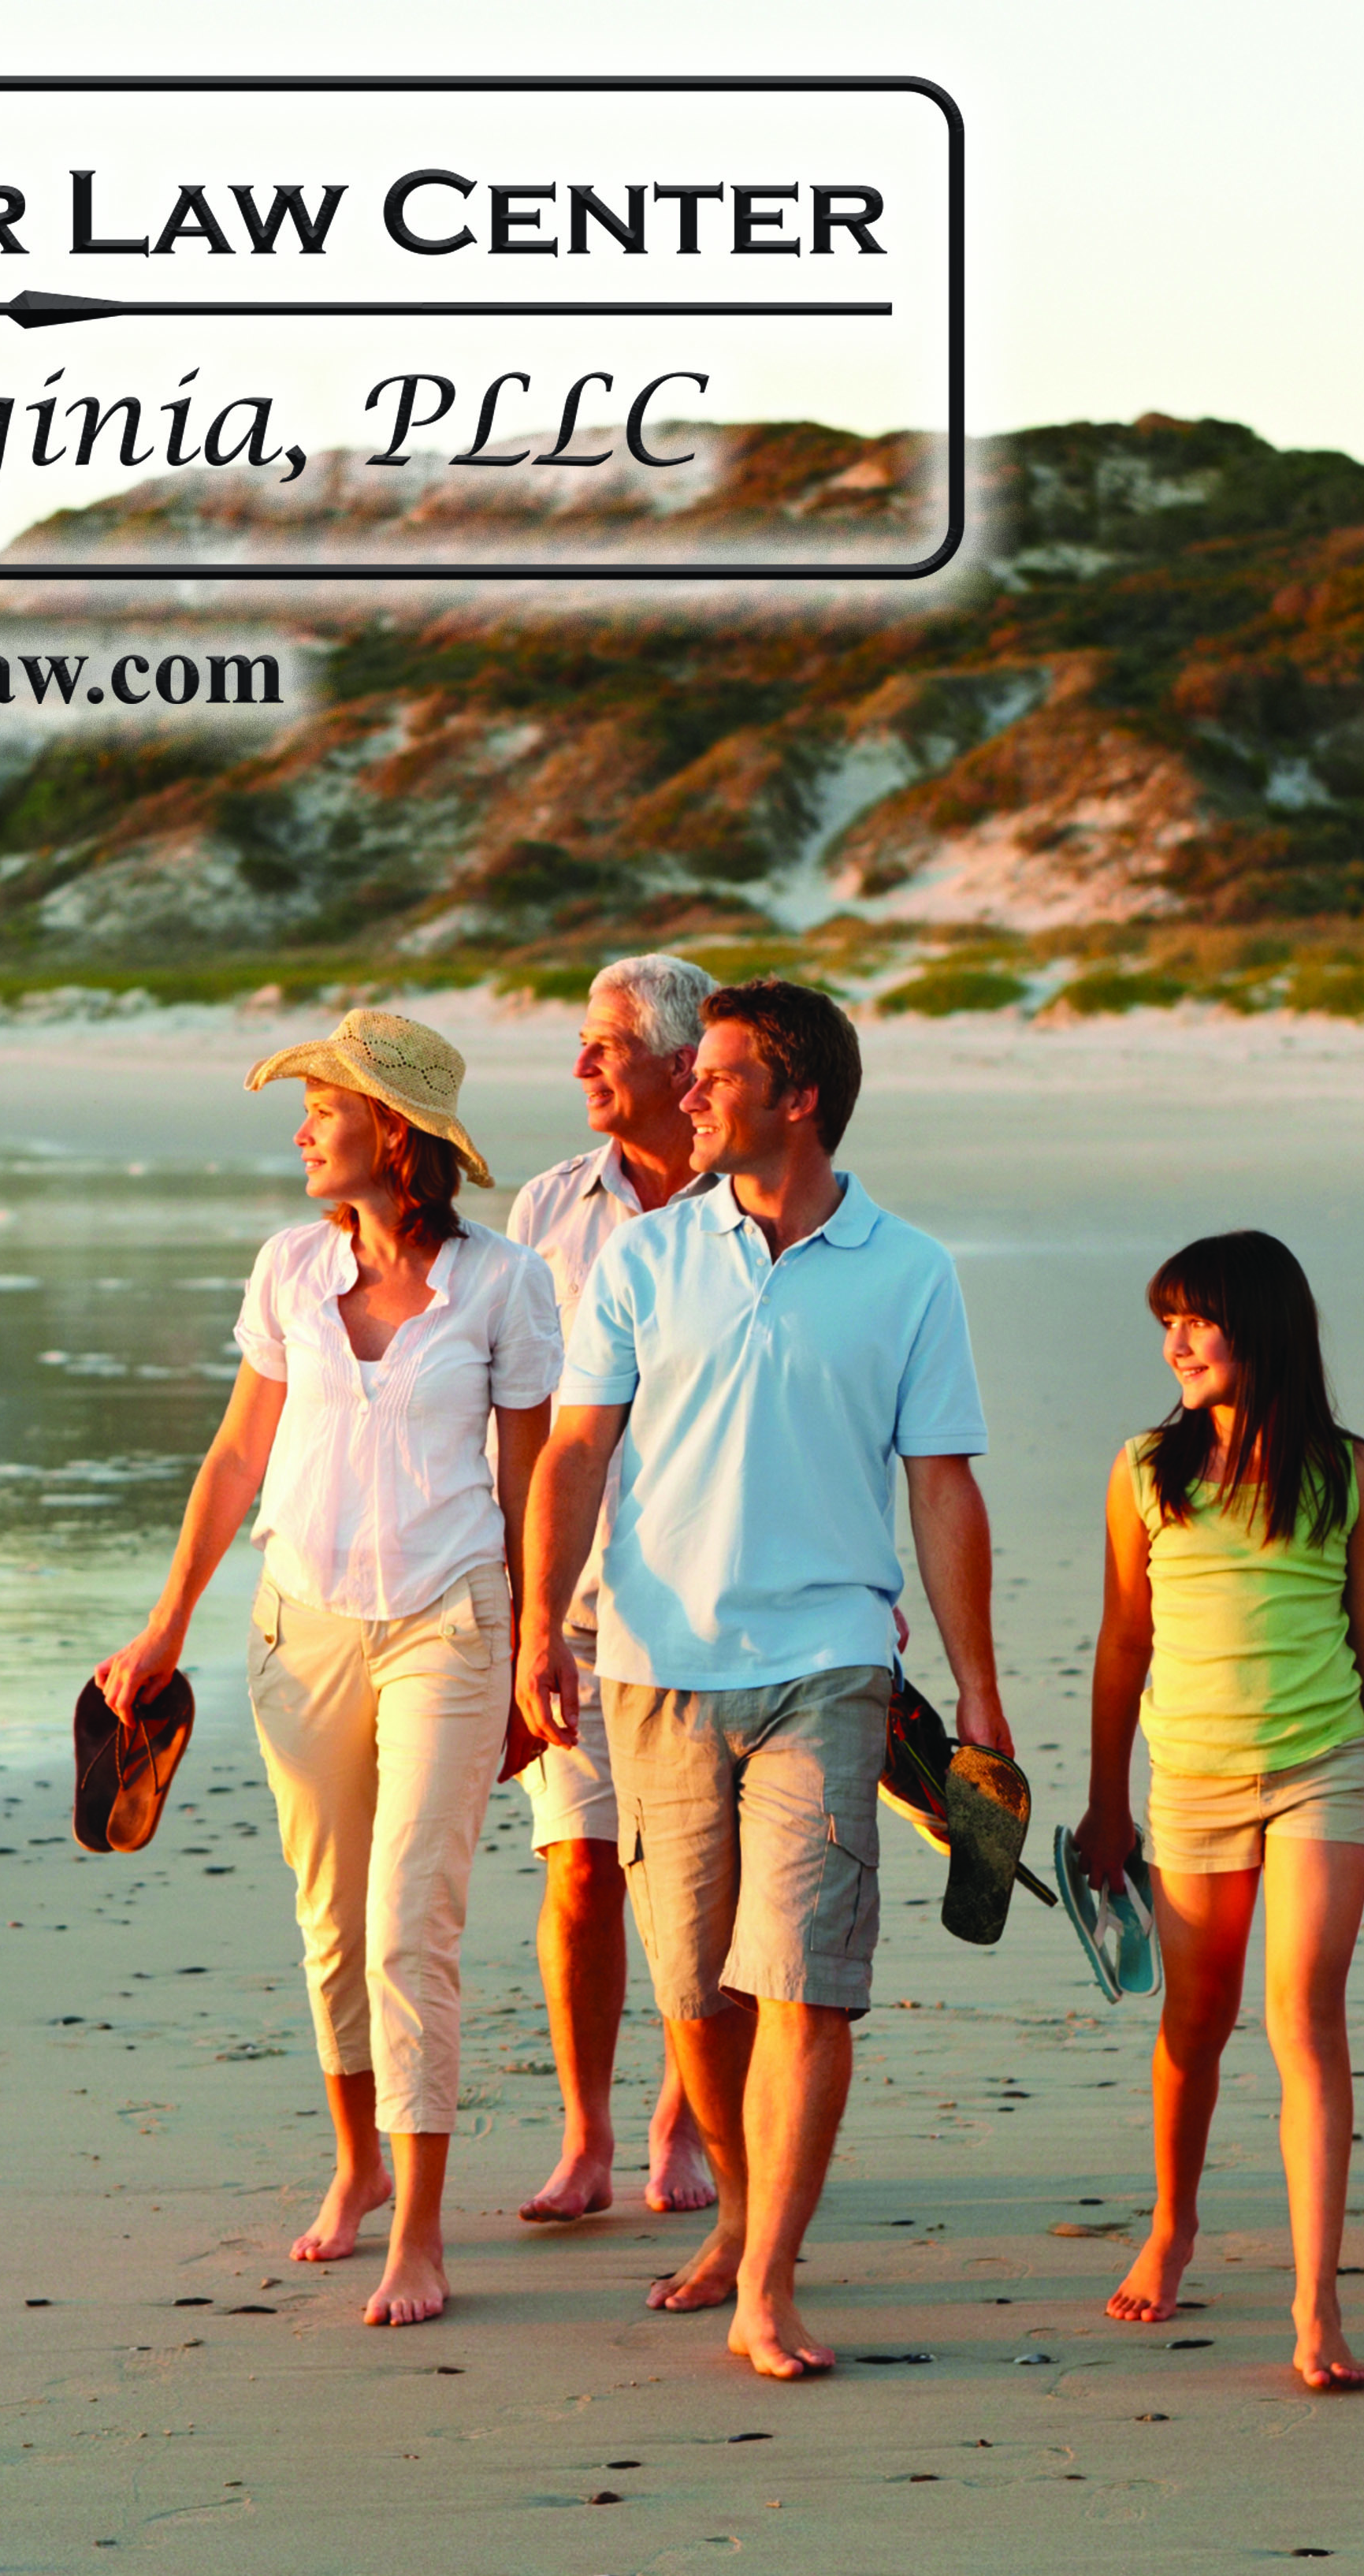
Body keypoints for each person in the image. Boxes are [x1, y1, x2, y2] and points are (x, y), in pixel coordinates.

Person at [518, 978, 1009, 2383]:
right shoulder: (644, 1261)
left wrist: (977, 1690)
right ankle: (739, 2215)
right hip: (656, 1667)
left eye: (718, 1075)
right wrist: (543, 1621)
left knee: (806, 1982)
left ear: (797, 1096)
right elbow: (574, 1454)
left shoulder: (908, 1269)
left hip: (831, 1664)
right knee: (698, 1996)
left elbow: (943, 1485)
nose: (691, 1095)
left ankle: (771, 2282)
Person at [92, 1009, 559, 2329]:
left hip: (450, 1628)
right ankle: (355, 2161)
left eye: (323, 1108)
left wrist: (537, 1644)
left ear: (392, 1132)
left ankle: (419, 2229)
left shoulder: (507, 1286)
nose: (300, 1131)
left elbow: (530, 1480)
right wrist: (168, 1620)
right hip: (299, 1626)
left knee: (416, 1925)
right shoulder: (290, 1269)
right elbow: (238, 1458)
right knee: (333, 1925)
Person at [1069, 1232, 1364, 2394]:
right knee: (1196, 2024)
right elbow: (1124, 1646)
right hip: (1193, 1780)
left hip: (1323, 1771)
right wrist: (1103, 1804)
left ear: (1260, 1328)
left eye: (1196, 1320)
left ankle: (1317, 2301)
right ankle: (1172, 2222)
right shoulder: (1142, 1472)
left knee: (1305, 2016)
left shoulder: (1353, 1472)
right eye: (1165, 1321)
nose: (1174, 1342)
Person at [498, 955, 721, 2225]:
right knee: (581, 1866)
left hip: (717, 1601)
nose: (581, 1065)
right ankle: (585, 2137)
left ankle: (679, 2123)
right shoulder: (545, 1209)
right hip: (570, 1604)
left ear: (683, 1066)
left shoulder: (762, 1199)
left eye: (604, 1045)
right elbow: (518, 1419)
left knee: (701, 1885)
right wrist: (510, 1599)